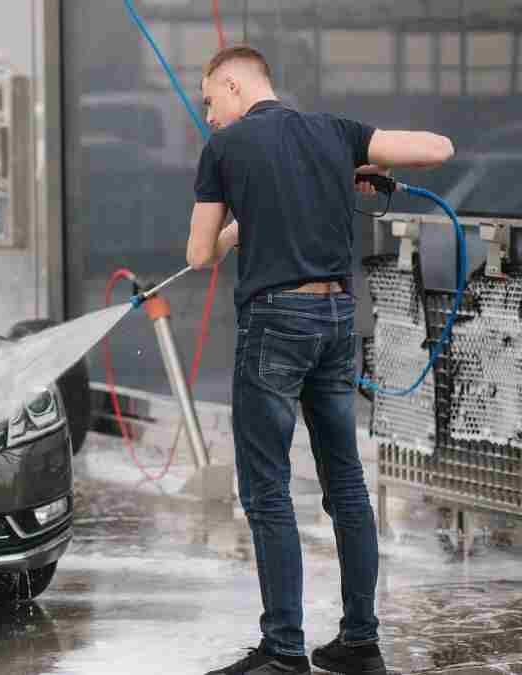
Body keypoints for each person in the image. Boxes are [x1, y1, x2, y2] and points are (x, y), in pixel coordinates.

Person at [186, 46, 454, 675]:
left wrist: (237, 226)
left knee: (268, 492)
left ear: (233, 83)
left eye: (209, 102)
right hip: (336, 320)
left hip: (275, 324)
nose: (210, 118)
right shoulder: (336, 133)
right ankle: (360, 641)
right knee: (347, 485)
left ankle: (283, 652)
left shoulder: (223, 151)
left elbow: (200, 255)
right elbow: (438, 149)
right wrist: (352, 165)